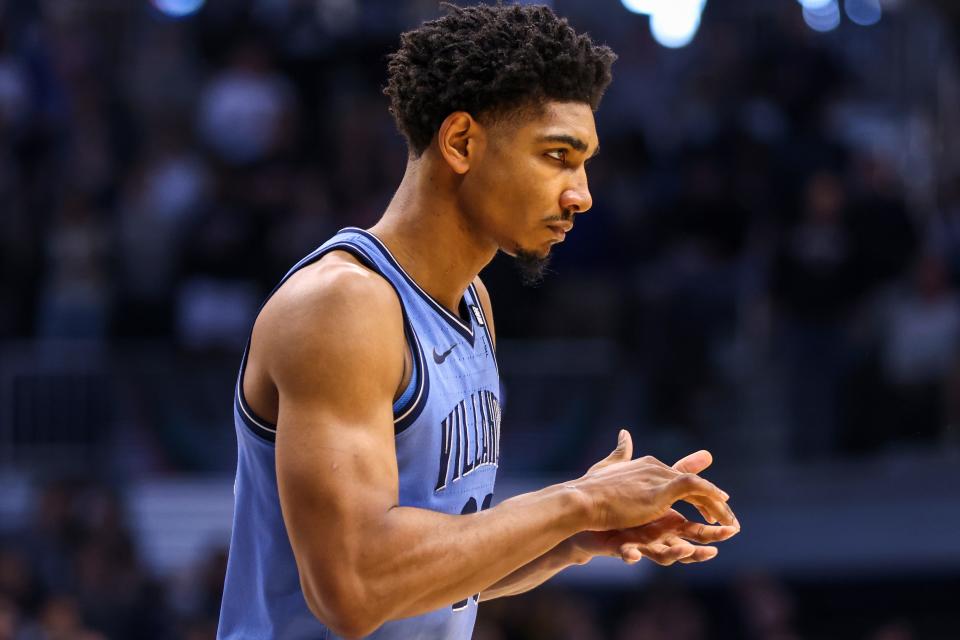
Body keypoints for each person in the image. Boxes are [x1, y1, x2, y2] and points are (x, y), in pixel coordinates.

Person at [217, 3, 740, 639]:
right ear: (462, 142)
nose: (582, 193)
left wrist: (574, 535)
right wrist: (578, 501)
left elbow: (434, 570)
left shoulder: (471, 302)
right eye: (557, 156)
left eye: (585, 162)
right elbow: (354, 589)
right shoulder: (344, 307)